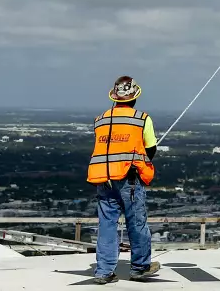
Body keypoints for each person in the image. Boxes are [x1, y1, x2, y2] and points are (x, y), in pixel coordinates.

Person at [87, 76, 161, 284]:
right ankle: (139, 267)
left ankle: (103, 271)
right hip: (128, 180)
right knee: (136, 223)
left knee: (107, 225)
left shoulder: (100, 120)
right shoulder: (142, 119)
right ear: (135, 97)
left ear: (115, 98)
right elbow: (151, 149)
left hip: (103, 179)